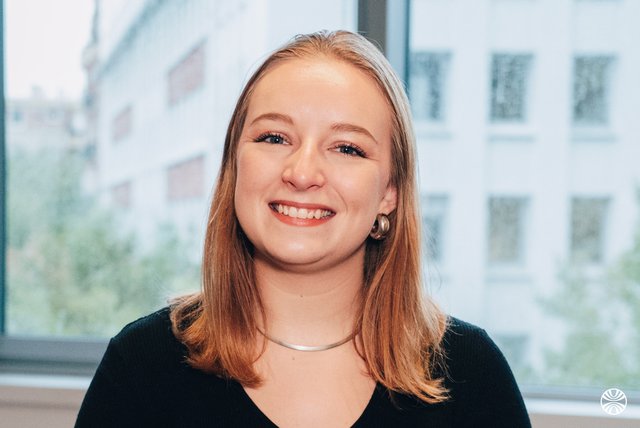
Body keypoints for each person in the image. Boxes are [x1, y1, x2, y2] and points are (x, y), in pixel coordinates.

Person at [76, 30, 531, 427]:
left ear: (389, 192)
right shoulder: (140, 367)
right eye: (274, 138)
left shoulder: (472, 376)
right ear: (235, 166)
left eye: (347, 148)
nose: (302, 172)